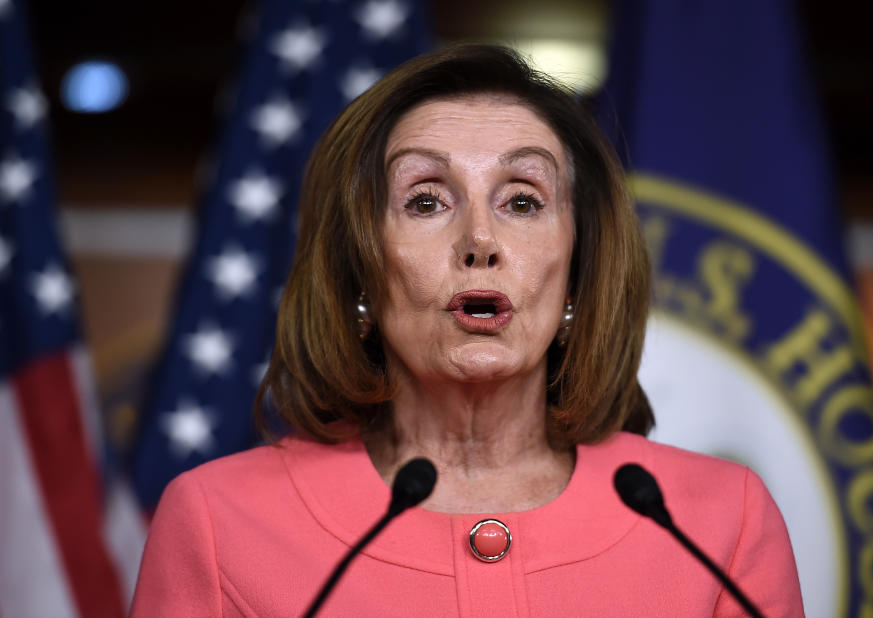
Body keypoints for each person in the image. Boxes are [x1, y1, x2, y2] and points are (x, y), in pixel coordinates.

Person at [131, 45, 803, 616]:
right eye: (426, 201)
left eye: (522, 201)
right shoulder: (219, 524)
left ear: (578, 273)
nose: (480, 239)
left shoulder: (719, 523)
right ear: (359, 271)